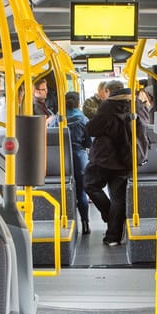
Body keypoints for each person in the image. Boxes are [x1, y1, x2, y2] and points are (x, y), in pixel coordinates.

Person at [84, 80, 135, 246]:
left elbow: (92, 129)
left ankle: (109, 215)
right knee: (118, 198)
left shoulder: (107, 106)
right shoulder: (135, 105)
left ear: (108, 91)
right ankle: (113, 237)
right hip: (126, 157)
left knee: (90, 185)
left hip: (104, 158)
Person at [63, 91, 92, 232]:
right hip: (80, 158)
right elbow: (89, 143)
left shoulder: (58, 118)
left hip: (62, 159)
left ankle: (68, 225)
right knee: (81, 192)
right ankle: (85, 224)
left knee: (65, 191)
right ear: (78, 102)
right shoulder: (83, 119)